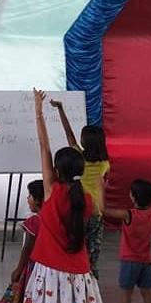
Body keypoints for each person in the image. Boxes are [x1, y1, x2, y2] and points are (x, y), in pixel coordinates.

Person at [22, 90, 104, 303]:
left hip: (51, 272)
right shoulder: (85, 199)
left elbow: (43, 146)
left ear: (57, 171)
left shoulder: (51, 191)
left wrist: (38, 111)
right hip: (79, 271)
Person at [51, 99, 110, 278]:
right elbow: (103, 186)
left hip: (77, 208)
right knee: (93, 249)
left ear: (84, 141)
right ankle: (90, 278)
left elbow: (68, 134)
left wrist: (61, 109)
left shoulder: (77, 157)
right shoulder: (104, 164)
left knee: (75, 243)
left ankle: (73, 273)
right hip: (96, 212)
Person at [103, 179, 151, 303]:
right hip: (147, 261)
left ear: (133, 197)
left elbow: (104, 210)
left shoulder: (128, 214)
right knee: (147, 293)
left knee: (126, 294)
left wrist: (102, 189)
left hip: (129, 261)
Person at [1, 179, 46, 303]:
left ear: (37, 199)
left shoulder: (34, 221)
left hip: (31, 269)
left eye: (29, 196)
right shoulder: (52, 219)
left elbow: (27, 248)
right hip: (45, 269)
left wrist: (18, 270)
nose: (28, 199)